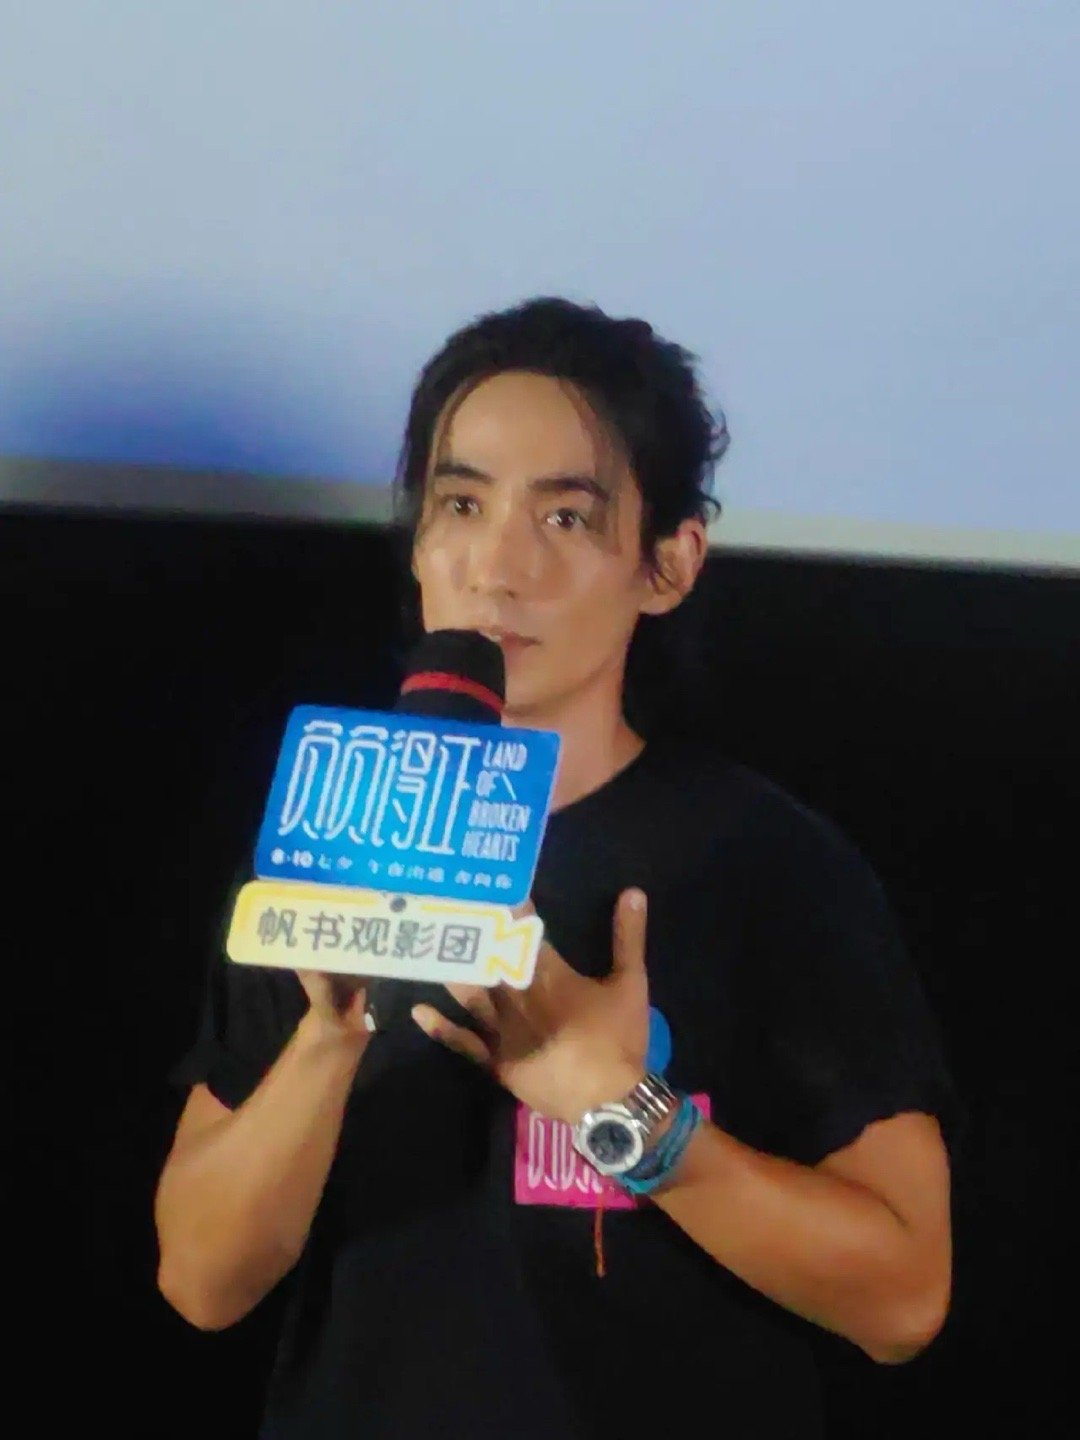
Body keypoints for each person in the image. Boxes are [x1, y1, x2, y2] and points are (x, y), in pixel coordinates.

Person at [155, 296, 959, 1440]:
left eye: (567, 517)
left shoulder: (769, 864)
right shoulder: (326, 843)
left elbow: (905, 1299)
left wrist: (623, 1113)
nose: (498, 565)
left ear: (668, 564)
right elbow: (200, 1281)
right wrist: (329, 1034)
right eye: (462, 504)